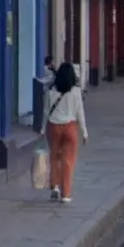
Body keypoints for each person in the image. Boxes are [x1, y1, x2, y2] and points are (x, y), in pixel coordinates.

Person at [40, 63, 88, 204]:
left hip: (53, 127)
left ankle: (55, 186)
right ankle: (66, 194)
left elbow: (46, 112)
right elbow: (80, 113)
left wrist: (42, 129)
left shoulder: (50, 91)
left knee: (54, 157)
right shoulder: (76, 92)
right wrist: (84, 132)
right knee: (68, 161)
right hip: (70, 127)